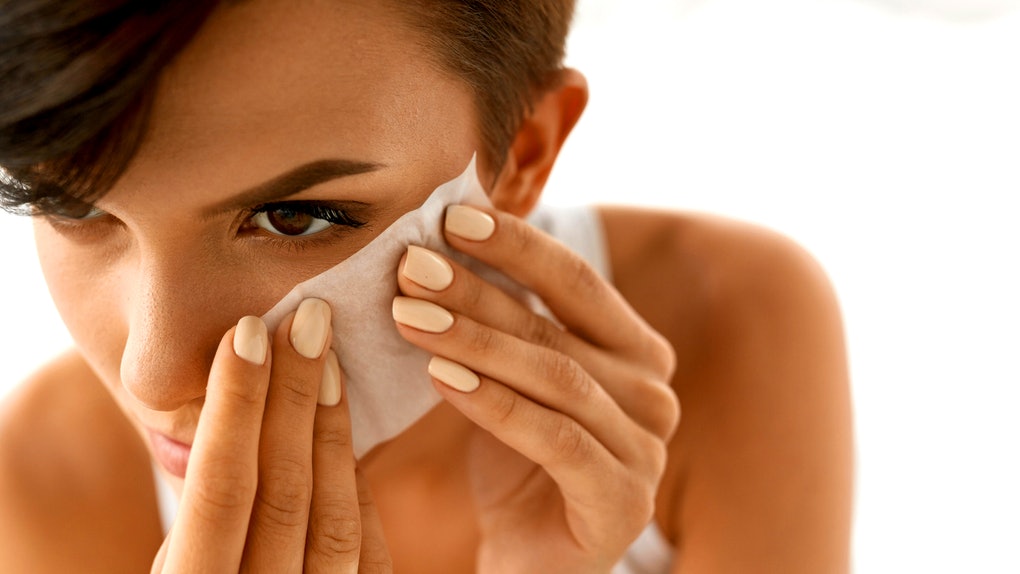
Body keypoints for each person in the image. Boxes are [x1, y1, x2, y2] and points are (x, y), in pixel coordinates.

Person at [0, 1, 854, 572]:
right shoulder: (44, 482)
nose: (153, 376)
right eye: (65, 203)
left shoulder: (730, 324)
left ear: (522, 153)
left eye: (294, 218)